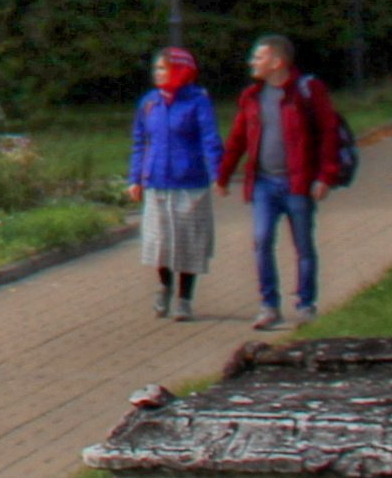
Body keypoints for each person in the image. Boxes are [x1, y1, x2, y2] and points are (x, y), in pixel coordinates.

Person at [220, 34, 349, 329]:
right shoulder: (252, 96)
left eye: (258, 57)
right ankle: (268, 306)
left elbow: (329, 132)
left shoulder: (307, 91)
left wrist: (325, 176)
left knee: (303, 245)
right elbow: (238, 137)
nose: (252, 62)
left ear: (277, 62)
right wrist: (224, 174)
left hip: (298, 183)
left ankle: (306, 304)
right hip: (264, 183)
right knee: (262, 240)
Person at [127, 46, 218, 320]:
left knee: (188, 242)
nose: (157, 73)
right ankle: (164, 286)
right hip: (157, 182)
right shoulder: (149, 103)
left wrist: (217, 173)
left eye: (163, 68)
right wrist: (135, 178)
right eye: (156, 68)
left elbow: (210, 139)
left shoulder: (197, 101)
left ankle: (184, 298)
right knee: (161, 241)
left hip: (189, 183)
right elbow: (139, 142)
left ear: (181, 71)